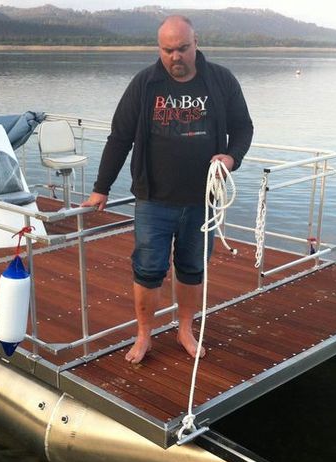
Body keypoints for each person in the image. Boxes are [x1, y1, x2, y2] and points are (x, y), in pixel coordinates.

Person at [81, 15, 253, 364]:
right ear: (159, 48)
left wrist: (232, 158)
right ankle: (144, 335)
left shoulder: (220, 80)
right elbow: (120, 138)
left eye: (183, 48)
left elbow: (243, 127)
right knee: (148, 269)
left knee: (192, 268)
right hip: (153, 199)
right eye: (167, 49)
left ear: (196, 43)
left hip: (202, 199)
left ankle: (184, 329)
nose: (176, 56)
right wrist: (102, 188)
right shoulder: (145, 84)